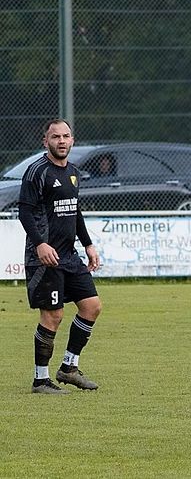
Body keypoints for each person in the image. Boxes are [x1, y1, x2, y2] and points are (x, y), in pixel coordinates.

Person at [19, 119, 103, 394]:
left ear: (72, 140)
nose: (61, 141)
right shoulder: (36, 172)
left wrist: (88, 244)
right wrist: (40, 244)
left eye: (66, 136)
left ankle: (69, 368)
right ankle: (40, 380)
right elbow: (25, 212)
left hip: (69, 255)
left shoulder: (73, 172)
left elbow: (75, 212)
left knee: (91, 306)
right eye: (55, 137)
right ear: (46, 141)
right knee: (53, 315)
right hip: (44, 257)